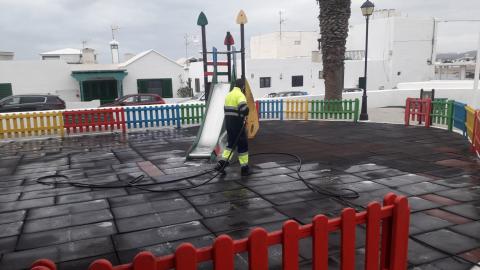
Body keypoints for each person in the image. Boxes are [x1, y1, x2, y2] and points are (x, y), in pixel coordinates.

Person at [215, 79, 250, 176]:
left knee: (230, 145)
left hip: (229, 124)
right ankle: (244, 168)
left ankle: (221, 164)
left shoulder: (229, 95)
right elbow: (243, 108)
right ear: (242, 87)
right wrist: (247, 110)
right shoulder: (240, 95)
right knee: (243, 145)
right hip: (238, 125)